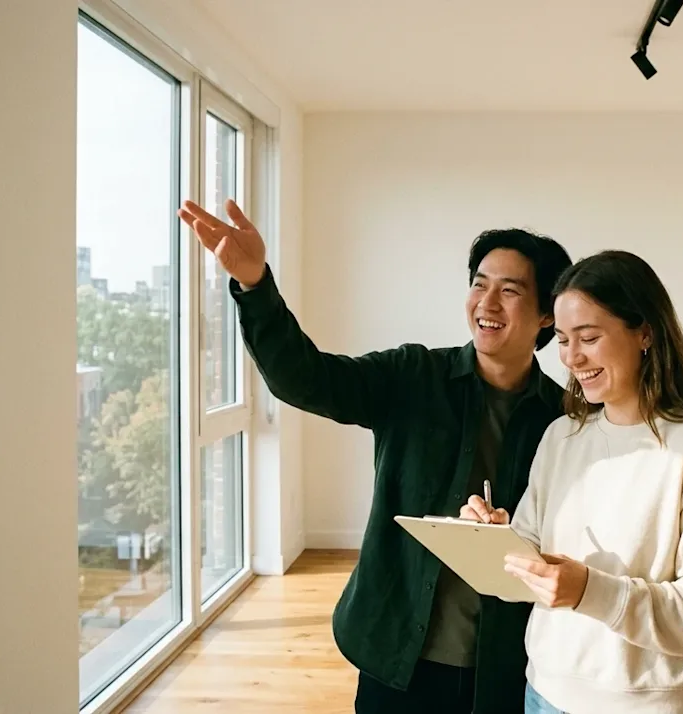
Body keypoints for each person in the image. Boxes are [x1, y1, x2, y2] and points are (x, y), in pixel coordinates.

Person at [178, 198, 573, 713]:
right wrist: (256, 287)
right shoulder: (413, 376)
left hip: (505, 663)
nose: (487, 302)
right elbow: (307, 378)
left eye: (510, 290)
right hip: (397, 652)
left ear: (547, 313)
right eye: (479, 283)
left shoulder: (563, 421)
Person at [460, 250, 683, 714]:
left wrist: (591, 592)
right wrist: (499, 541)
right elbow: (530, 565)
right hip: (543, 693)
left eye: (589, 337)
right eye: (561, 339)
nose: (573, 357)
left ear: (645, 333)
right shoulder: (562, 435)